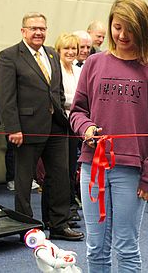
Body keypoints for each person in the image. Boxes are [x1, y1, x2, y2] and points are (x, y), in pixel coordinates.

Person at [70, 0, 148, 272]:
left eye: (130, 28)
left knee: (126, 246)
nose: (123, 35)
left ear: (143, 29)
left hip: (132, 170)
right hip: (93, 166)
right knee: (95, 248)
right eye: (117, 27)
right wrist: (86, 128)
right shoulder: (93, 64)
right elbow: (77, 111)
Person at [0, 12, 83, 241]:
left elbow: (57, 90)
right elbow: (5, 97)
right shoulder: (9, 56)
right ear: (23, 30)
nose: (38, 32)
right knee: (24, 182)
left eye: (42, 28)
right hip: (25, 129)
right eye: (33, 28)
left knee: (60, 177)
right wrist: (12, 128)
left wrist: (64, 118)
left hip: (56, 127)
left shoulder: (53, 54)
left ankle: (58, 225)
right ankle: (28, 227)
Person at [54, 33, 82, 223]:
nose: (71, 52)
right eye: (67, 48)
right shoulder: (56, 71)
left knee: (72, 167)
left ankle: (71, 205)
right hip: (59, 122)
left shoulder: (79, 71)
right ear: (59, 51)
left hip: (76, 122)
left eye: (74, 49)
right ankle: (61, 209)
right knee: (60, 170)